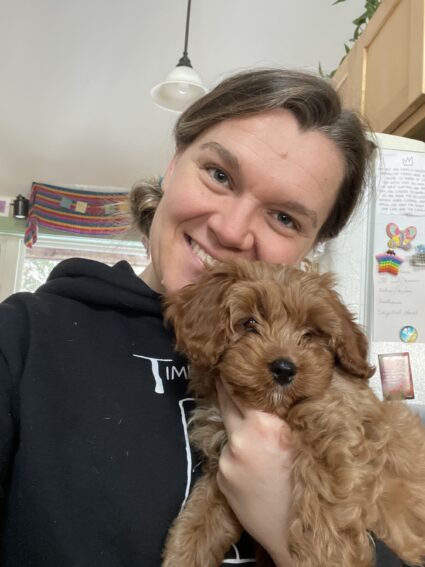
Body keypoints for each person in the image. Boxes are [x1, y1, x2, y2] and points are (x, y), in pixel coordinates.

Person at [0, 68, 409, 566]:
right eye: (219, 175)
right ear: (173, 165)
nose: (232, 230)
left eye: (285, 217)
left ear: (314, 244)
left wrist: (287, 523)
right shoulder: (21, 340)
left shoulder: (326, 377)